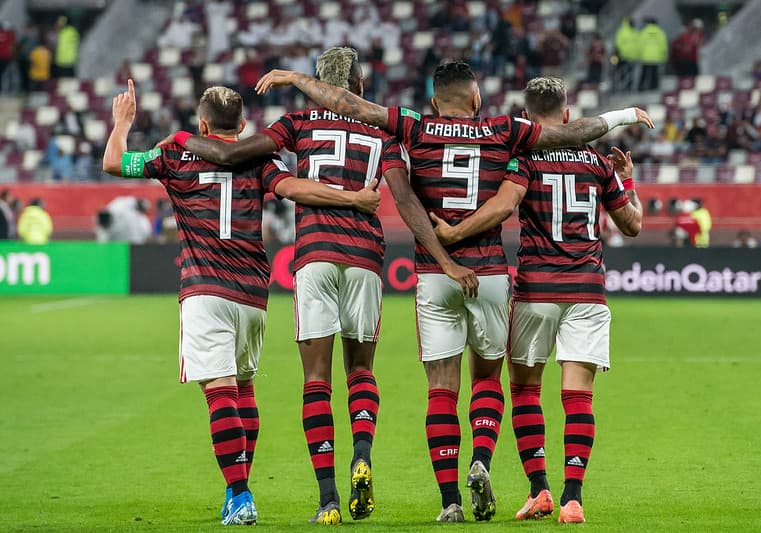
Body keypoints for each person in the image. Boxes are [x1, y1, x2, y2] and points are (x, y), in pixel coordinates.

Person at [253, 61, 653, 522]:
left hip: (436, 274)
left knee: (441, 390)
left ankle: (450, 503)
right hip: (491, 273)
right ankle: (485, 460)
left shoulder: (415, 126)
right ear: (477, 99)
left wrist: (295, 79)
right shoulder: (503, 131)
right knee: (488, 381)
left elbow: (350, 107)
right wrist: (623, 115)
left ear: (433, 100)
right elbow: (572, 135)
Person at [163, 48, 477, 525]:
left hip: (314, 255)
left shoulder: (298, 123)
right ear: (359, 85)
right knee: (361, 371)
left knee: (315, 380)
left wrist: (188, 138)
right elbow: (407, 201)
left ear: (319, 84)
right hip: (366, 260)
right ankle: (362, 454)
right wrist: (445, 260)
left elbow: (234, 153)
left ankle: (328, 499)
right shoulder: (383, 130)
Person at [101, 80, 382, 526]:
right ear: (245, 124)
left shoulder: (174, 154)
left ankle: (238, 493)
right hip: (252, 294)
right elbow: (294, 188)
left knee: (219, 392)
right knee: (244, 390)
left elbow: (114, 162)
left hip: (205, 288)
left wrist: (122, 123)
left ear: (202, 123)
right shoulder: (260, 158)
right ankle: (239, 491)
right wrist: (352, 199)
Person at [429, 77, 643, 524]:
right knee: (578, 397)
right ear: (567, 116)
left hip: (536, 290)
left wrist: (453, 233)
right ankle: (572, 498)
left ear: (528, 118)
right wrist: (628, 180)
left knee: (526, 390)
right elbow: (632, 224)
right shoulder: (598, 162)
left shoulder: (523, 159)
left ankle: (540, 490)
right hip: (587, 290)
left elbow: (505, 205)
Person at [638, 18, 668, 91]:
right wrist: (664, 56)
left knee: (644, 73)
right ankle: (653, 87)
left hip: (645, 57)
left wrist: (640, 54)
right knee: (654, 73)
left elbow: (640, 45)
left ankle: (641, 87)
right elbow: (663, 46)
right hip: (656, 57)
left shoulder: (644, 32)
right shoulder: (660, 32)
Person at [613, 18, 639, 91]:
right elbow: (618, 43)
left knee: (631, 74)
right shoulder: (622, 32)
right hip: (623, 57)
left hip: (632, 57)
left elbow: (637, 44)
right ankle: (621, 86)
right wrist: (622, 53)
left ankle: (628, 87)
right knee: (622, 72)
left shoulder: (635, 32)